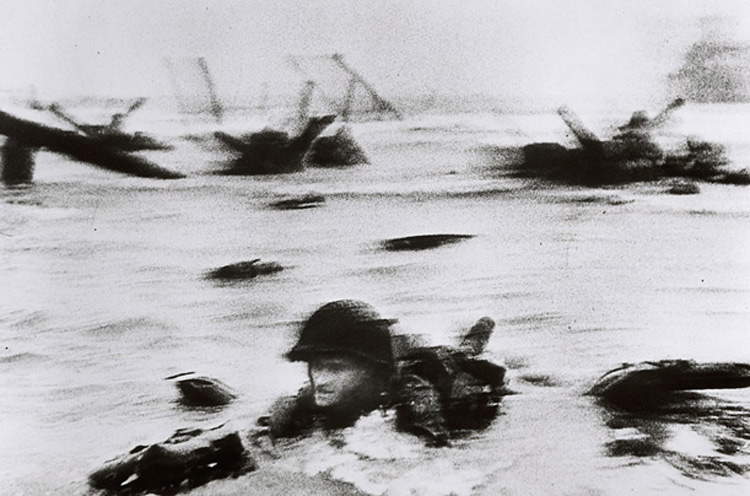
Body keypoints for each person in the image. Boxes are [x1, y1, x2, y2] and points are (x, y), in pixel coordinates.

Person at [255, 300, 507, 447]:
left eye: (335, 368)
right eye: (316, 366)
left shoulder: (415, 394)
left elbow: (434, 455)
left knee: (465, 358)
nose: (319, 379)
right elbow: (267, 437)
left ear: (372, 369)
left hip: (454, 387)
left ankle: (479, 333)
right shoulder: (312, 397)